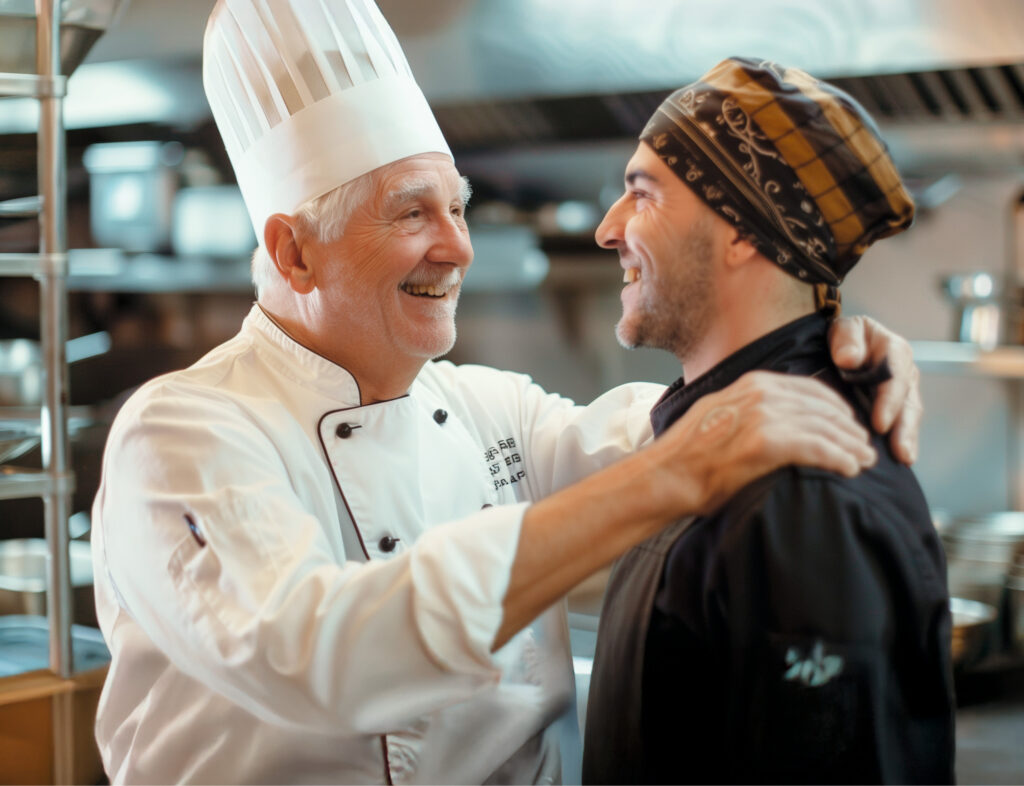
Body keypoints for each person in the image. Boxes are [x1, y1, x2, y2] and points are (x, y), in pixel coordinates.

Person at [89, 3, 922, 783]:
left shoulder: (490, 413)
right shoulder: (182, 434)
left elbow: (682, 427)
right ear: (295, 254)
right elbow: (315, 652)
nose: (459, 249)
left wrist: (828, 357)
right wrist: (674, 471)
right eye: (413, 213)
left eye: (460, 208)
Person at [581, 57, 954, 785]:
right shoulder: (713, 440)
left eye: (642, 194)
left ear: (743, 231)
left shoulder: (801, 489)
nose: (607, 229)